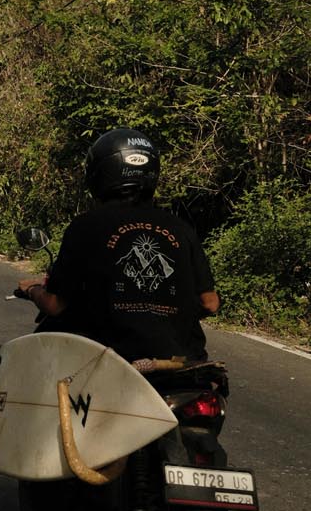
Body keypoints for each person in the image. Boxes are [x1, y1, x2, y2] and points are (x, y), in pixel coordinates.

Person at [17, 128, 219, 365]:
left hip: (110, 364)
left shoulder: (86, 226)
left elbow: (55, 305)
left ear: (99, 174)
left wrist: (32, 290)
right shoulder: (181, 228)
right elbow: (210, 303)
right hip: (182, 364)